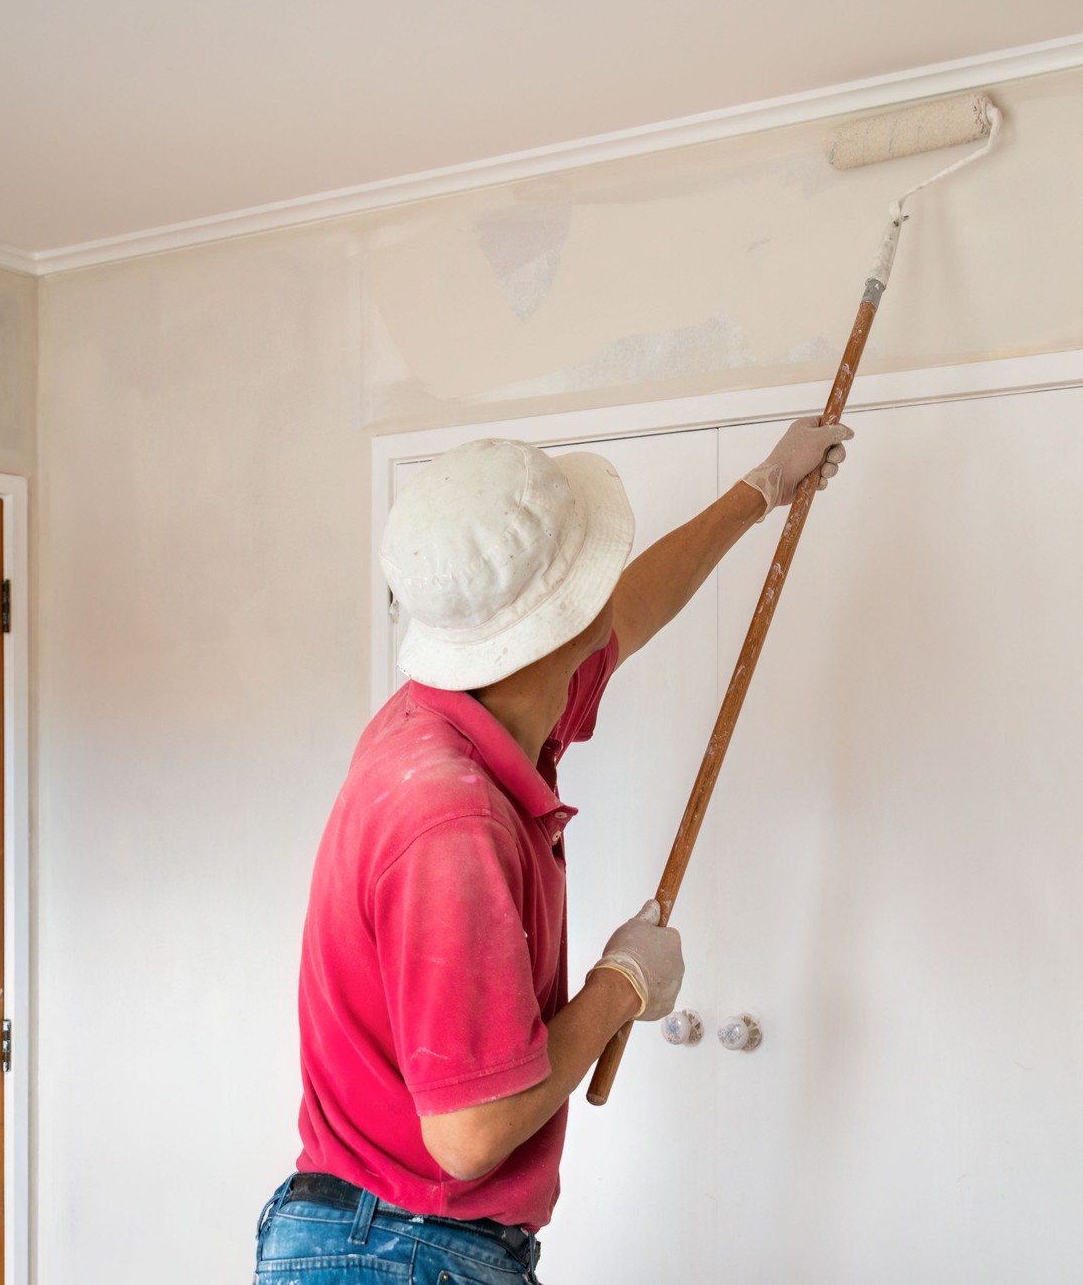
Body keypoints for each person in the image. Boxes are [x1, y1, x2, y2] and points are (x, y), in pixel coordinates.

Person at [253, 417, 854, 1284]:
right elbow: (469, 1135)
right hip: (404, 1252)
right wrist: (621, 988)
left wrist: (763, 489)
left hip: (389, 1238)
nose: (606, 591)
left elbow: (631, 611)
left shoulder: (463, 715)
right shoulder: (450, 822)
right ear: (558, 629)